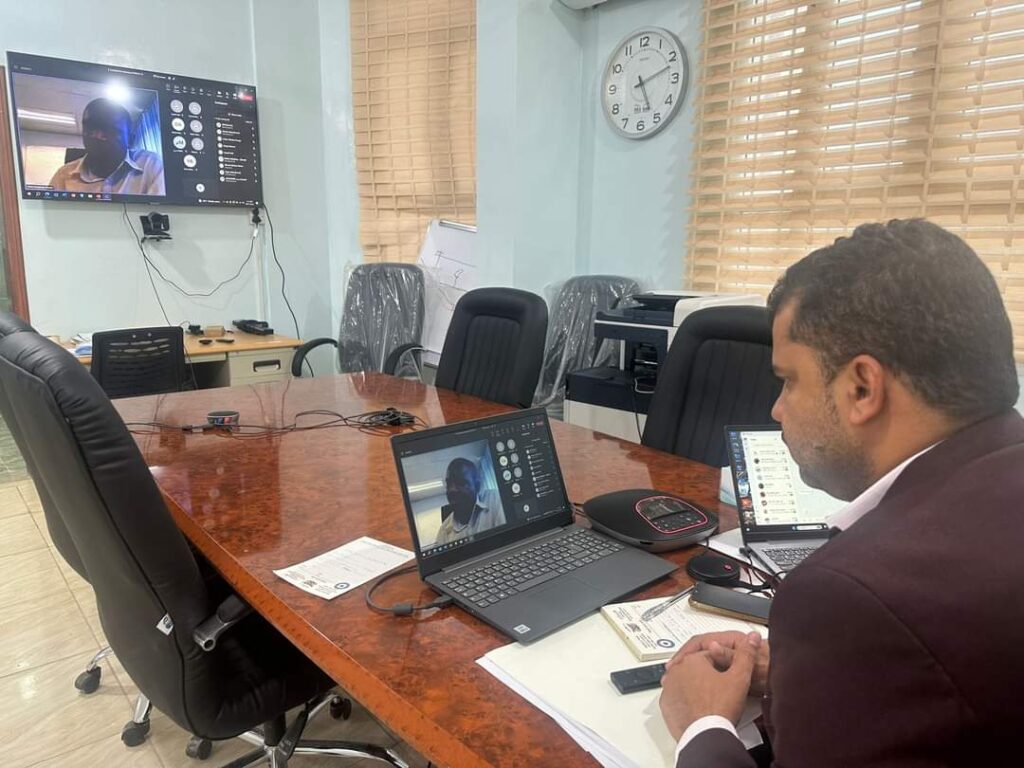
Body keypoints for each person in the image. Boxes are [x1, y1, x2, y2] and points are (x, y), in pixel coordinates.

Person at [660, 219, 1024, 767]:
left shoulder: (849, 596)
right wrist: (811, 674)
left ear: (862, 387)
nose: (775, 409)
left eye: (789, 380)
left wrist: (702, 724)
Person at [49, 98, 165, 196]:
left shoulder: (152, 165)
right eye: (90, 128)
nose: (97, 136)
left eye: (110, 130)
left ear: (130, 139)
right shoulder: (63, 176)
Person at [434, 457, 506, 545]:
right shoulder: (444, 532)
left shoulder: (496, 499)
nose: (452, 489)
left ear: (477, 486)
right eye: (449, 484)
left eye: (461, 483)